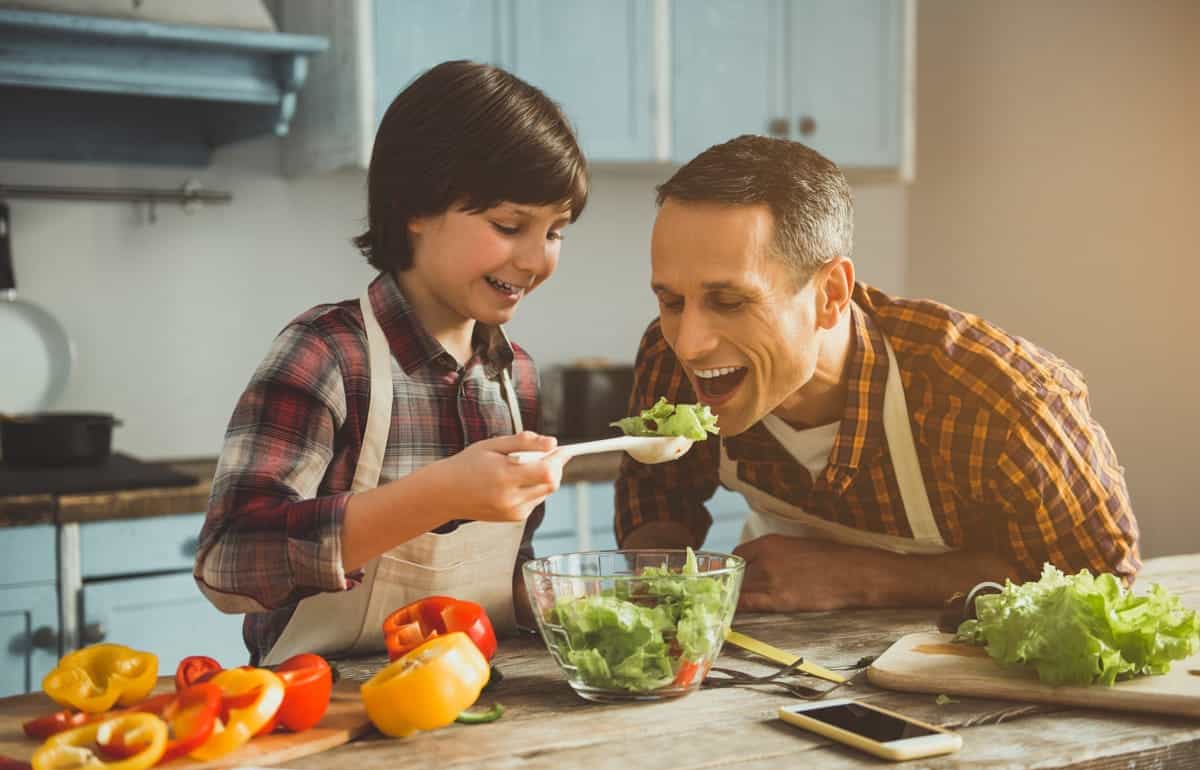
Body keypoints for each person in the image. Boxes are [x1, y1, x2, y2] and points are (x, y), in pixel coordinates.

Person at [615, 135, 1139, 612]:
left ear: (830, 295)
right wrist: (658, 587)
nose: (688, 342)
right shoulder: (668, 360)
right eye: (671, 301)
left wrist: (864, 578)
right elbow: (657, 495)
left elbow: (1101, 588)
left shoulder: (1005, 403)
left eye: (728, 301)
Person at [194, 60, 588, 665]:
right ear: (416, 209)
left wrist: (568, 605)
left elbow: (499, 580)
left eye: (556, 232)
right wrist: (436, 495)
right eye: (510, 225)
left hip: (479, 714)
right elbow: (228, 563)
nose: (537, 259)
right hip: (319, 716)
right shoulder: (326, 353)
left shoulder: (515, 378)